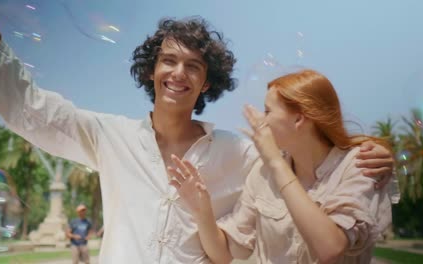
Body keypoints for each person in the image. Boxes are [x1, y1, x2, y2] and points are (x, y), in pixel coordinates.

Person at [0, 17, 395, 263]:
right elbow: (27, 108)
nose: (179, 73)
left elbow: (307, 173)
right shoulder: (108, 134)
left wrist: (370, 154)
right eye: (168, 61)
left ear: (206, 83)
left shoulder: (240, 153)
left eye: (193, 66)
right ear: (151, 71)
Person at [170, 69, 397, 263]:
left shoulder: (360, 165)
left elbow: (330, 247)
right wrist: (202, 210)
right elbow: (224, 253)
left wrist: (276, 162)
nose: (262, 119)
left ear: (299, 120)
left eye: (268, 111)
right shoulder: (263, 173)